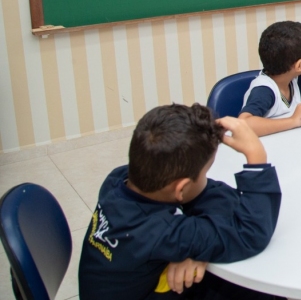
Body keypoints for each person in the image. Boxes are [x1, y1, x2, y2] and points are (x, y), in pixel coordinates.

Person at [78, 104, 282, 300]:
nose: (207, 179)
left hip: (115, 286)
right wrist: (256, 158)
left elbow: (216, 198)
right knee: (246, 290)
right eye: (205, 173)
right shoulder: (165, 233)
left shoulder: (117, 179)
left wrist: (195, 248)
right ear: (180, 189)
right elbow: (250, 232)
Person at [240, 20, 301, 136]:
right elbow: (243, 124)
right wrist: (292, 121)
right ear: (298, 65)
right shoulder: (264, 90)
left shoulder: (297, 79)